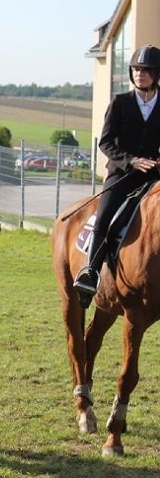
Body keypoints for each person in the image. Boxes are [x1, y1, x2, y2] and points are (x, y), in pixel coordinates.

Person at [73, 44, 160, 305]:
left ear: (156, 74)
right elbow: (106, 143)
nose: (139, 74)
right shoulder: (120, 103)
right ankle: (90, 274)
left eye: (145, 70)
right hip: (122, 175)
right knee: (104, 217)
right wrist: (132, 160)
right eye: (136, 69)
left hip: (154, 176)